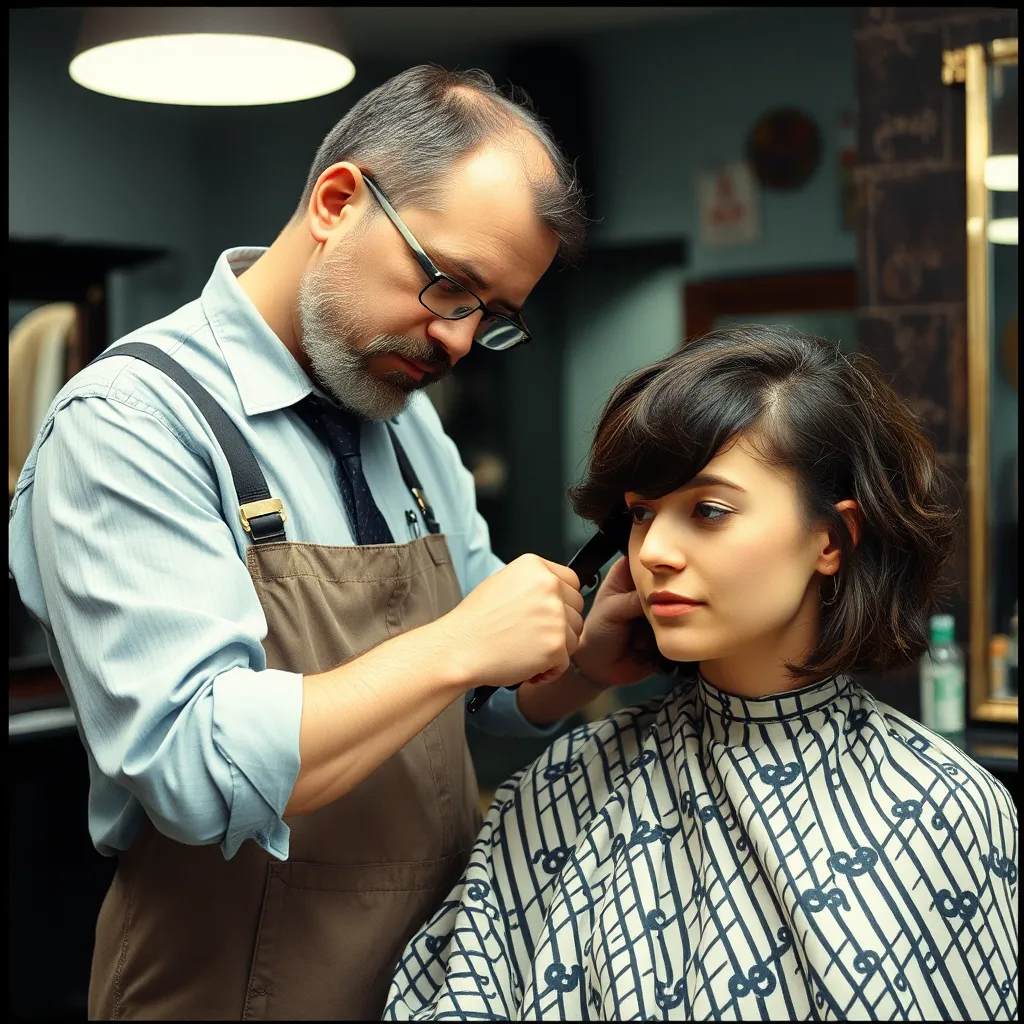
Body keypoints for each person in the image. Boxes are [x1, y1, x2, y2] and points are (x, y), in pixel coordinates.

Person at [7, 66, 653, 1020]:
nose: (459, 341)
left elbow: (469, 702)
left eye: (493, 315)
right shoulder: (134, 423)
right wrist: (459, 641)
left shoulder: (400, 417)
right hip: (227, 986)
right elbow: (191, 767)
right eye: (449, 285)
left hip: (426, 981)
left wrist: (580, 667)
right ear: (338, 200)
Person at [384, 325, 1020, 1022]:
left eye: (708, 511)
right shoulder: (562, 788)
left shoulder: (948, 810)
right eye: (641, 515)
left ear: (831, 540)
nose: (654, 550)